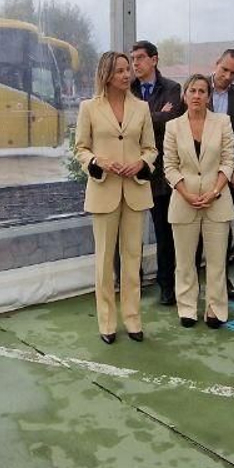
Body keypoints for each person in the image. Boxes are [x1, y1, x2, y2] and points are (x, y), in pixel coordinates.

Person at [76, 51, 158, 343]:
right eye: (121, 70)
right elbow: (81, 149)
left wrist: (141, 163)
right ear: (107, 75)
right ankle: (107, 322)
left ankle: (133, 319)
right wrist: (98, 162)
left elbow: (151, 149)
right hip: (104, 191)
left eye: (128, 70)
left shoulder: (142, 108)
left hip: (135, 191)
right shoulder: (89, 108)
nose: (128, 74)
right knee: (104, 261)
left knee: (132, 258)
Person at [164, 74, 234, 328]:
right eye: (192, 90)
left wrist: (215, 191)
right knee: (184, 262)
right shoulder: (173, 126)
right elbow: (169, 166)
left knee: (217, 262)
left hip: (217, 201)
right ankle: (187, 308)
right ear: (184, 95)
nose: (196, 95)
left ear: (209, 96)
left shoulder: (223, 122)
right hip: (184, 202)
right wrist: (186, 193)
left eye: (202, 91)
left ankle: (215, 309)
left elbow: (229, 160)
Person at [129, 40, 185, 306]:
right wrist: (154, 115)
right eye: (133, 58)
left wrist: (139, 118)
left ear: (154, 59)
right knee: (130, 234)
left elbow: (172, 121)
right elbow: (122, 123)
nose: (135, 63)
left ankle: (166, 286)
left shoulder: (173, 88)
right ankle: (131, 283)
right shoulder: (126, 88)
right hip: (131, 171)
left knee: (165, 234)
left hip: (161, 174)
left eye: (140, 57)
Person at [209, 50, 234, 299]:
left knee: (223, 229)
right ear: (216, 63)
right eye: (224, 69)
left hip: (225, 173)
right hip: (194, 172)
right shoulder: (196, 88)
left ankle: (222, 282)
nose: (228, 76)